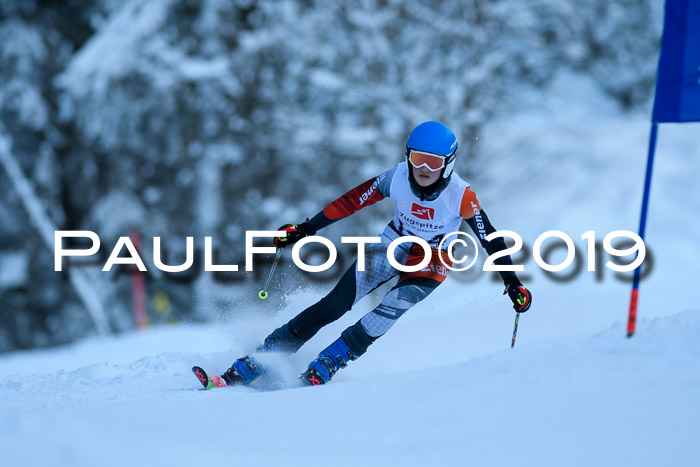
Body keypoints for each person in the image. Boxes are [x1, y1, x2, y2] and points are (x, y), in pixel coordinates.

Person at [221, 121, 532, 386]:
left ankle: (331, 360)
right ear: (408, 156)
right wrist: (306, 229)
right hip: (392, 245)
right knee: (335, 304)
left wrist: (512, 282)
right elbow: (351, 201)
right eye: (418, 159)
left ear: (448, 163)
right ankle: (264, 356)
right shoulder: (395, 177)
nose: (423, 169)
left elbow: (489, 237)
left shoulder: (461, 196)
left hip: (432, 261)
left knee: (388, 310)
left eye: (433, 162)